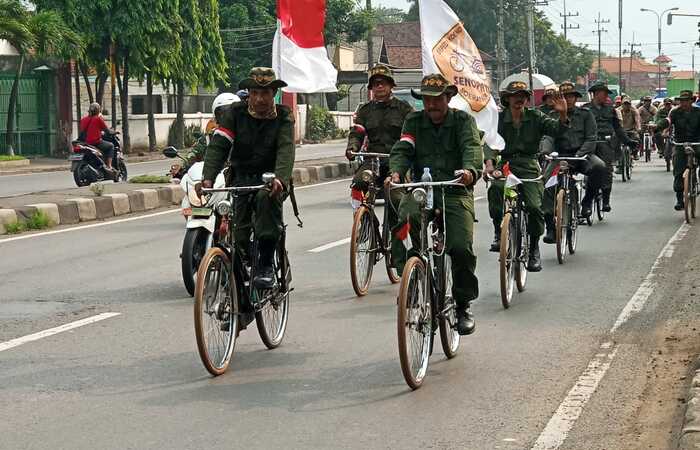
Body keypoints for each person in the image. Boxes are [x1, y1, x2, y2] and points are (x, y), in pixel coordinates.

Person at [388, 74, 482, 335]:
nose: (431, 106)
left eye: (437, 99)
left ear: (448, 98)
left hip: (454, 190)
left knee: (461, 248)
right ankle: (412, 277)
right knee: (404, 224)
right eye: (427, 100)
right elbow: (403, 148)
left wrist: (469, 172)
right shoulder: (414, 121)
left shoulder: (463, 121)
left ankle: (463, 304)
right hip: (422, 190)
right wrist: (396, 172)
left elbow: (472, 148)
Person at [201, 67, 295, 289]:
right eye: (254, 93)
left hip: (271, 180)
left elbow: (286, 149)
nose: (259, 98)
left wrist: (280, 178)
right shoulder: (234, 114)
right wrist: (207, 178)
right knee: (239, 234)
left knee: (265, 203)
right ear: (249, 94)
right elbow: (219, 147)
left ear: (274, 94)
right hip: (241, 178)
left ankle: (265, 265)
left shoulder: (283, 117)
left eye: (265, 93)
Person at [484, 80, 569, 272]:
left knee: (534, 207)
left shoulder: (535, 116)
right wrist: (489, 164)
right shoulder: (498, 118)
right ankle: (499, 231)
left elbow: (557, 131)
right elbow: (489, 143)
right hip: (505, 164)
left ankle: (533, 249)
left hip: (529, 165)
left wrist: (563, 114)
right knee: (496, 189)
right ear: (507, 99)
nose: (519, 99)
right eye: (515, 96)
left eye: (522, 96)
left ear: (527, 100)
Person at [541, 82, 607, 243]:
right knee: (546, 183)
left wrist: (580, 154)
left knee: (600, 167)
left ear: (576, 98)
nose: (567, 100)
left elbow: (591, 138)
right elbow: (547, 137)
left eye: (571, 96)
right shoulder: (552, 115)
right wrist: (546, 152)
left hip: (582, 156)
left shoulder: (586, 114)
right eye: (564, 96)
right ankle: (550, 226)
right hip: (559, 157)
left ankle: (587, 201)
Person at [346, 64, 413, 208]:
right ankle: (363, 224)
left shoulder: (404, 109)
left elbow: (413, 134)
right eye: (376, 84)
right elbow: (357, 133)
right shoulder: (365, 111)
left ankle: (397, 228)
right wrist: (352, 147)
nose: (380, 87)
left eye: (383, 83)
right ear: (371, 88)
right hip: (373, 160)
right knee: (358, 184)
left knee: (396, 194)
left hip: (396, 160)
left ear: (390, 86)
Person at [584, 82, 638, 212]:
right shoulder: (585, 109)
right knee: (589, 171)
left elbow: (618, 129)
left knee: (607, 171)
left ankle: (606, 200)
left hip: (605, 143)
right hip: (588, 144)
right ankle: (587, 203)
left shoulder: (610, 110)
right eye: (605, 93)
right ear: (596, 94)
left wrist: (628, 141)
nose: (607, 96)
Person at [654, 90, 700, 210]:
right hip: (680, 143)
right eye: (682, 100)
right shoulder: (675, 112)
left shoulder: (698, 111)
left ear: (692, 100)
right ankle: (680, 200)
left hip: (697, 142)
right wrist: (658, 127)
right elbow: (668, 121)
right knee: (678, 171)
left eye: (686, 100)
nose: (684, 103)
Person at [180, 92, 240, 171]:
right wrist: (181, 171)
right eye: (223, 114)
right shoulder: (208, 139)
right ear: (216, 117)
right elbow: (192, 157)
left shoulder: (247, 137)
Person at [79, 102, 117, 177]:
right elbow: (107, 130)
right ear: (98, 111)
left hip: (85, 143)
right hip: (95, 142)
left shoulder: (83, 119)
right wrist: (113, 132)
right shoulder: (98, 119)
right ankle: (109, 166)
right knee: (111, 146)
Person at [619, 96, 641, 160]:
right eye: (625, 104)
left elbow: (637, 120)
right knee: (614, 140)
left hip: (631, 130)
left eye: (628, 104)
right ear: (622, 104)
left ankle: (635, 153)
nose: (626, 106)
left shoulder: (634, 111)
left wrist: (638, 128)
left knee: (637, 138)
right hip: (621, 131)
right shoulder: (618, 110)